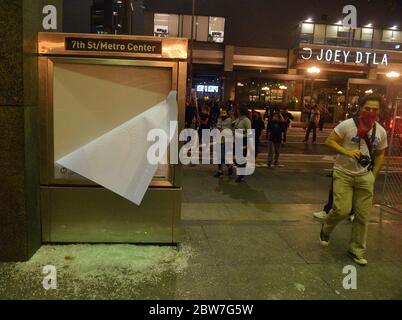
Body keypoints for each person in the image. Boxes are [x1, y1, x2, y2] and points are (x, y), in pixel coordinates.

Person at [320, 94, 388, 266]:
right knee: (341, 210)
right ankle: (327, 227)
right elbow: (330, 141)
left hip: (365, 176)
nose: (371, 112)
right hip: (343, 173)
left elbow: (380, 154)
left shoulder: (380, 131)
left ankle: (356, 250)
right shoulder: (347, 125)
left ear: (379, 111)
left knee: (362, 216)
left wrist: (374, 175)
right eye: (367, 108)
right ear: (360, 108)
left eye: (375, 110)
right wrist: (347, 152)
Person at [234, 105, 252, 183]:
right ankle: (242, 170)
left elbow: (249, 131)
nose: (237, 111)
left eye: (238, 110)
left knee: (241, 157)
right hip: (237, 139)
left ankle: (241, 175)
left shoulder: (246, 120)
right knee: (235, 157)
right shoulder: (238, 119)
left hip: (243, 140)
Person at [214, 107, 234, 178]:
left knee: (223, 157)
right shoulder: (219, 119)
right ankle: (220, 171)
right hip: (220, 140)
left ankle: (229, 166)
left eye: (224, 113)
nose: (223, 114)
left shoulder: (230, 120)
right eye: (222, 112)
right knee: (219, 157)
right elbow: (218, 128)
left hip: (227, 141)